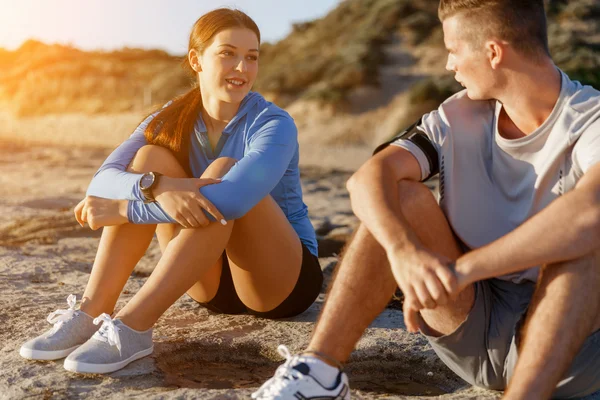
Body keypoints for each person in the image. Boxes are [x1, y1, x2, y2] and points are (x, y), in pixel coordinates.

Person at [253, 1, 600, 399]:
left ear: (493, 51)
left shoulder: (590, 118)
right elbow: (368, 179)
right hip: (474, 332)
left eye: (453, 49)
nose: (449, 65)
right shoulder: (457, 115)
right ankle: (319, 374)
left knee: (585, 246)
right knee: (398, 195)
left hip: (576, 347)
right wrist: (402, 250)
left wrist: (466, 269)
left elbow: (590, 213)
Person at [19, 8, 323, 375]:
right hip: (204, 277)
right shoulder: (170, 117)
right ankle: (90, 312)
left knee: (222, 172)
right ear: (196, 59)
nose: (241, 68)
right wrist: (158, 186)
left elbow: (232, 199)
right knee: (149, 158)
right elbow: (101, 181)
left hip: (278, 283)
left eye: (251, 57)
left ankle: (134, 327)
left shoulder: (273, 123)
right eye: (228, 53)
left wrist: (124, 210)